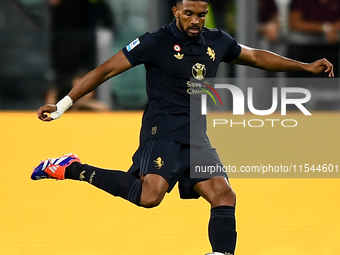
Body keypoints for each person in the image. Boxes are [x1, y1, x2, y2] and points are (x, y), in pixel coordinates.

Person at [31, 0, 334, 254]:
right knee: (150, 197)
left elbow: (255, 56)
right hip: (161, 130)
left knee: (224, 195)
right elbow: (106, 70)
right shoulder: (155, 42)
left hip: (196, 135)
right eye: (188, 13)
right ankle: (72, 168)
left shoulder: (217, 41)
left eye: (201, 14)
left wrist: (304, 67)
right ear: (175, 10)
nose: (195, 21)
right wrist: (63, 105)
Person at [287, 0, 340, 77]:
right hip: (303, 51)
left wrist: (333, 29)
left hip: (332, 51)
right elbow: (295, 23)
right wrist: (325, 28)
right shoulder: (301, 2)